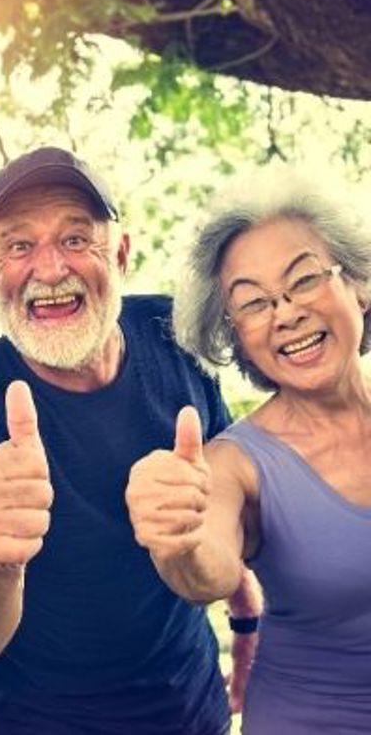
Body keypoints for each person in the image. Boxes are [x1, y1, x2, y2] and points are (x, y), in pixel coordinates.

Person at [0, 146, 259, 734]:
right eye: (19, 246)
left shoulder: (177, 335)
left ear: (122, 254)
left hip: (193, 713)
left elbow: (230, 515)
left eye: (76, 239)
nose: (50, 269)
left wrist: (248, 616)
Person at [128, 170, 371, 733]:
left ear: (357, 283)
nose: (285, 312)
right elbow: (208, 574)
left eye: (305, 279)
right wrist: (178, 543)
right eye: (254, 304)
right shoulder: (234, 463)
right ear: (237, 338)